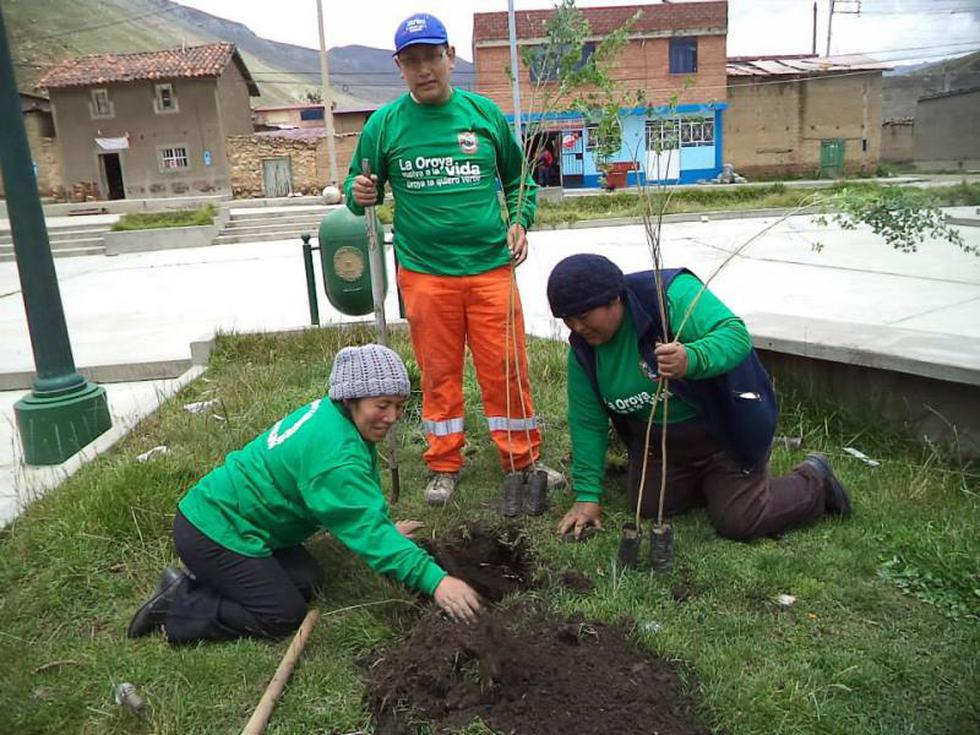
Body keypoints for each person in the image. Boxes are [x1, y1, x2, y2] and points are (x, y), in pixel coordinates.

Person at [344, 12, 565, 508]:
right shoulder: (384, 125)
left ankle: (522, 460)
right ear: (400, 67)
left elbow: (519, 177)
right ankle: (443, 464)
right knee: (439, 372)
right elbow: (358, 192)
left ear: (450, 57)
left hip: (491, 268)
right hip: (425, 274)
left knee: (507, 367)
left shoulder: (483, 115)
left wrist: (520, 220)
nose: (424, 69)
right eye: (412, 61)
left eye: (431, 57)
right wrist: (359, 192)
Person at [127, 345, 482, 644]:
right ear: (353, 398)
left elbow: (357, 506)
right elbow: (364, 527)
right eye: (383, 404)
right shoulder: (334, 456)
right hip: (214, 531)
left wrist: (386, 533)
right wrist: (438, 583)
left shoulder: (333, 415)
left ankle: (214, 579)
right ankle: (178, 604)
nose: (392, 417)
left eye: (399, 406)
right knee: (282, 614)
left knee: (307, 579)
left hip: (234, 519)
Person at [546, 254, 852, 542]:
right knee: (650, 506)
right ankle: (712, 483)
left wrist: (692, 358)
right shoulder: (585, 351)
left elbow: (735, 334)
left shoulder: (670, 296)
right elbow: (587, 422)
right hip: (665, 445)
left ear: (615, 298)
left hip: (722, 429)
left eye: (584, 316)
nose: (576, 327)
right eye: (567, 320)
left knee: (739, 520)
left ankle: (815, 480)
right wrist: (587, 497)